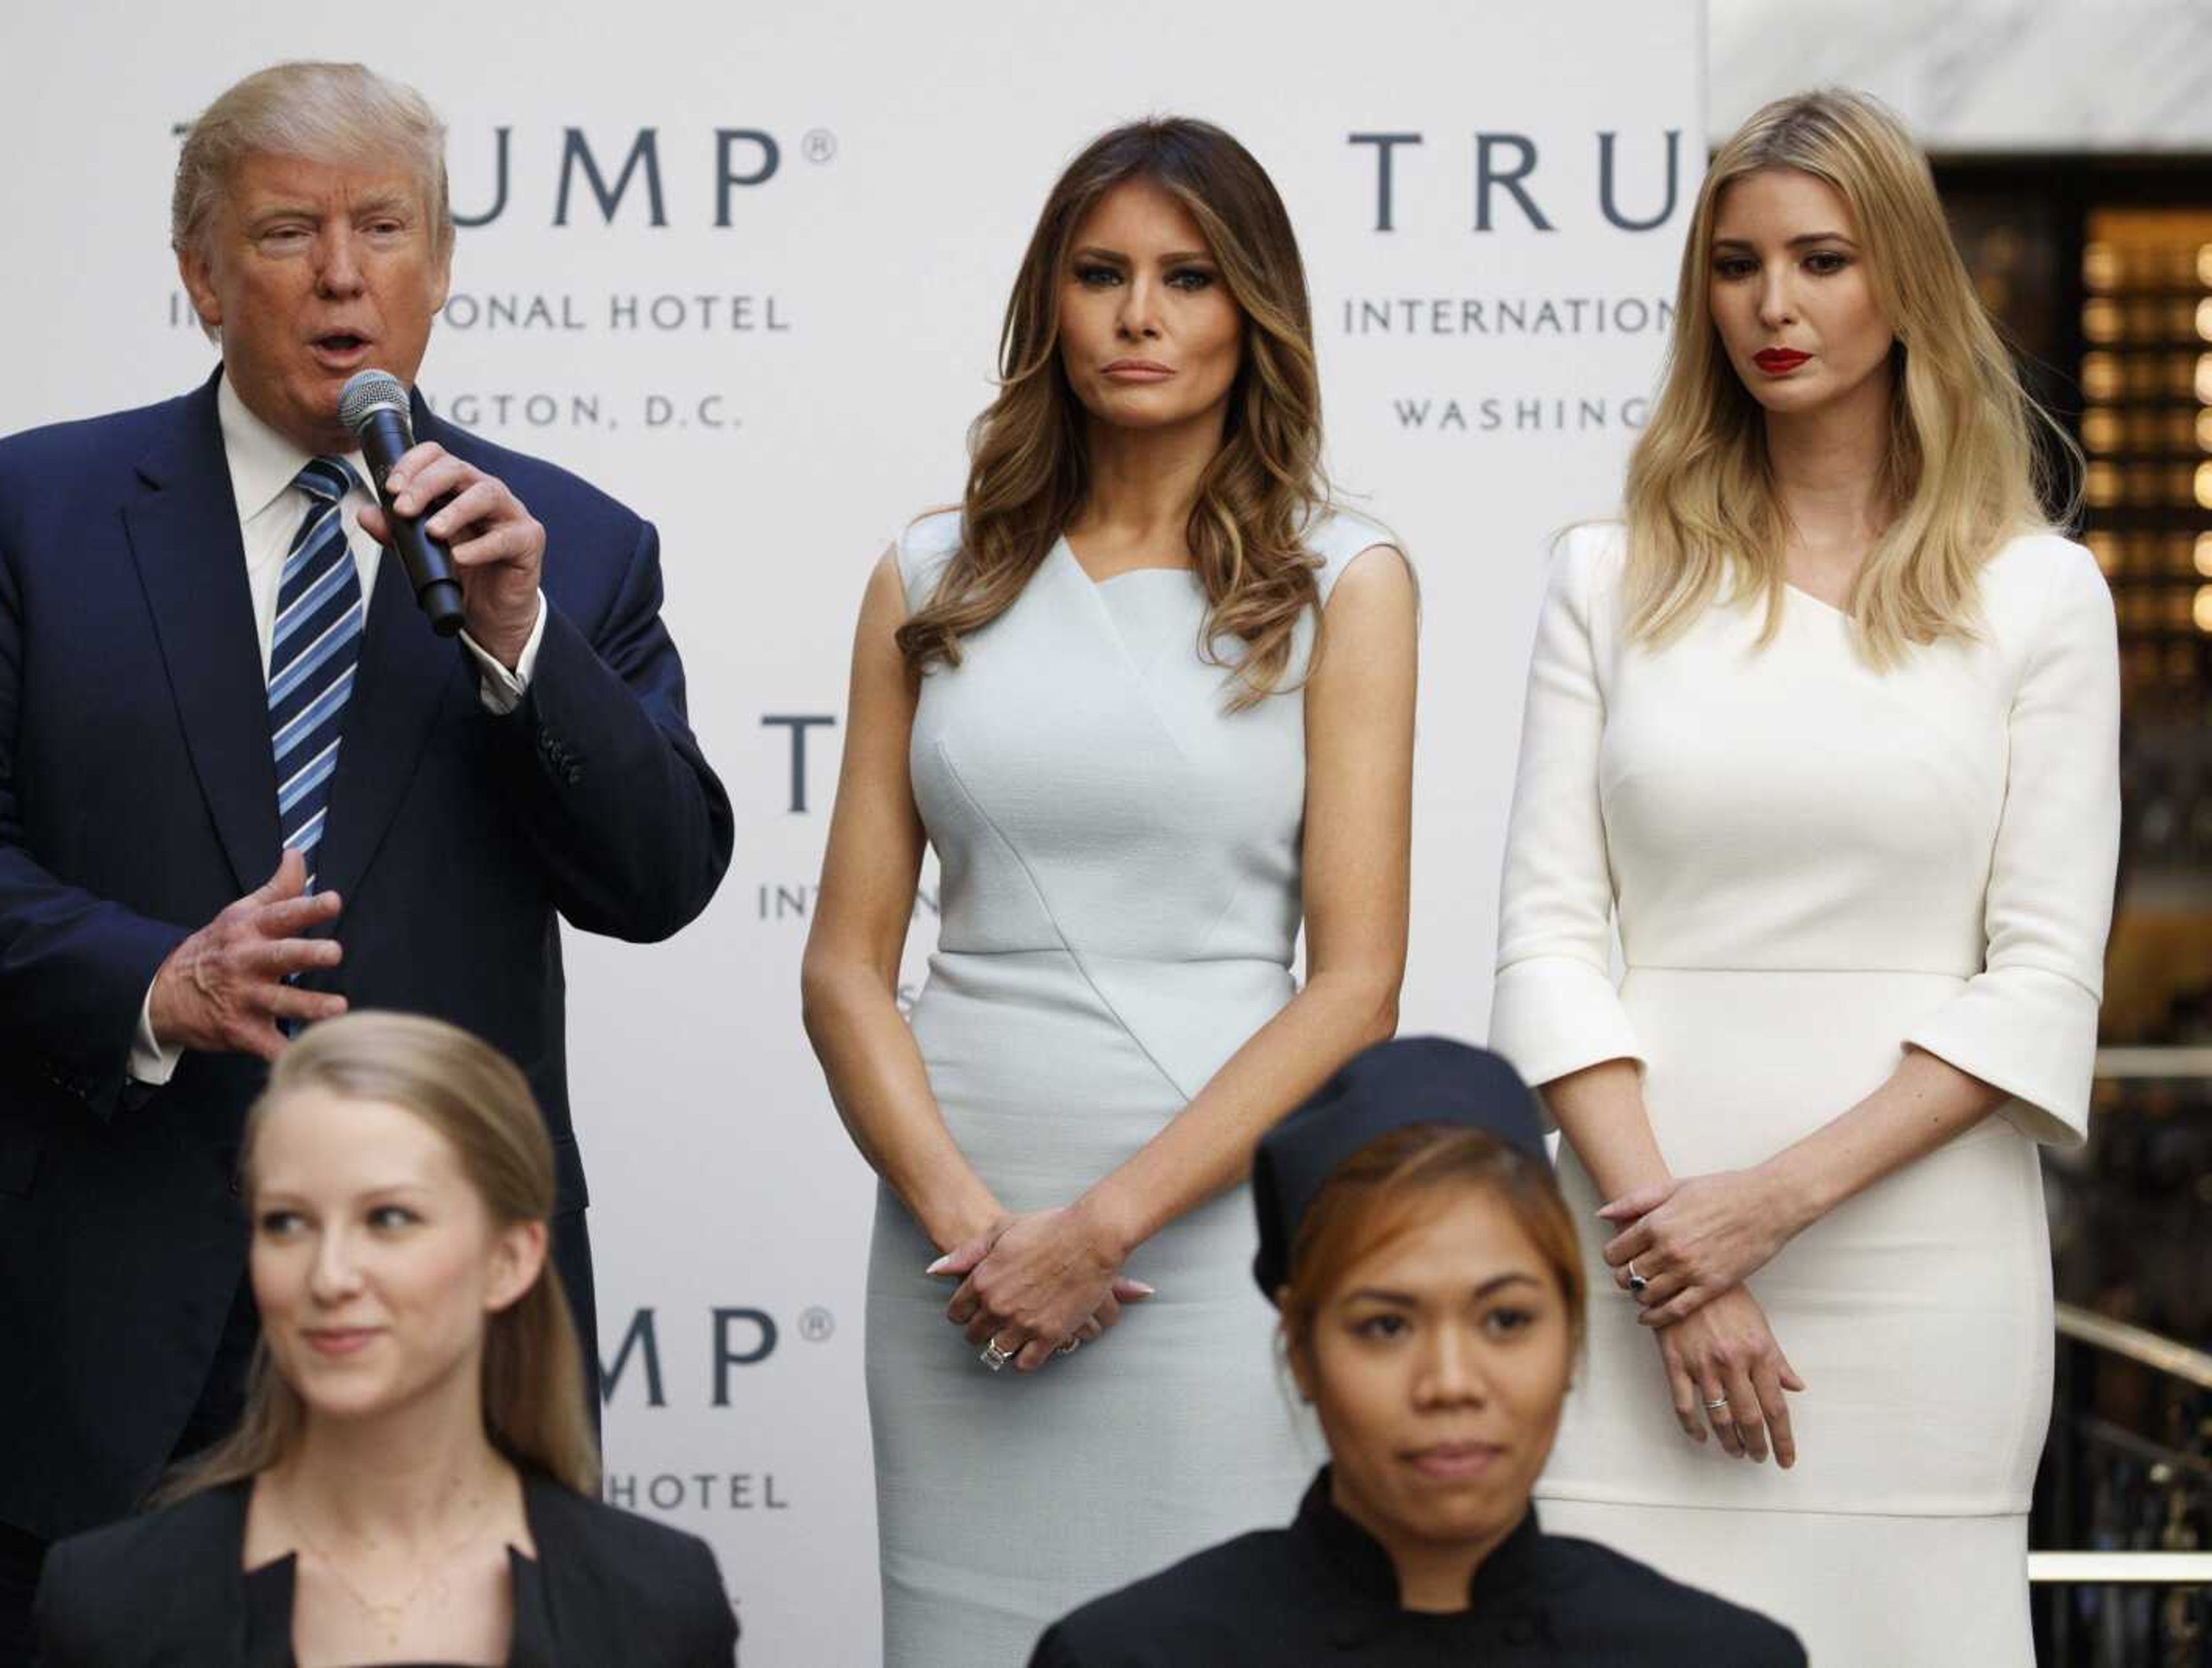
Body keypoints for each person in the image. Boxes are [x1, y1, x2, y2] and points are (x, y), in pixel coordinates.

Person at [0, 61, 732, 1665]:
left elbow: (659, 876)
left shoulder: (567, 547)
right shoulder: (23, 512)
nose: (343, 275)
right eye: (287, 233)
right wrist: (151, 979)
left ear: (442, 267)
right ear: (197, 275)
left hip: (440, 1322)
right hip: (90, 1294)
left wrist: (525, 647)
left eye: (385, 228)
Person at [1489, 88, 2118, 1665]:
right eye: (1735, 264)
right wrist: (1672, 1247)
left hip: (1920, 1278)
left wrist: (1758, 1209)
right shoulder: (1606, 575)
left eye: (1821, 259)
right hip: (1634, 1252)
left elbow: (2038, 976)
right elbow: (1548, 939)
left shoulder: (2038, 596)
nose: (1773, 305)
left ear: (1900, 278)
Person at [801, 117, 1417, 1665]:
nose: (1139, 313)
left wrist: (1099, 1227)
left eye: (1187, 277)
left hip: (1202, 1247)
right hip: (952, 1256)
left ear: (1249, 311)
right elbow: (842, 966)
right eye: (1101, 274)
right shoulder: (928, 572)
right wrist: (965, 1219)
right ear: (1051, 304)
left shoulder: (1346, 576)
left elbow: (1355, 984)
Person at [1031, 1037, 1806, 1665]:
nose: (1450, 1383)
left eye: (1505, 1319)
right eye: (1386, 1326)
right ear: (1300, 1346)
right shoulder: (1125, 1655)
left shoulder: (1724, 1656)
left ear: (1570, 1335)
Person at [33, 1011, 738, 1665]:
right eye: (287, 1222)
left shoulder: (657, 1603)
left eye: (390, 1218)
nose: (330, 1274)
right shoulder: (111, 1603)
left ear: (511, 1258)